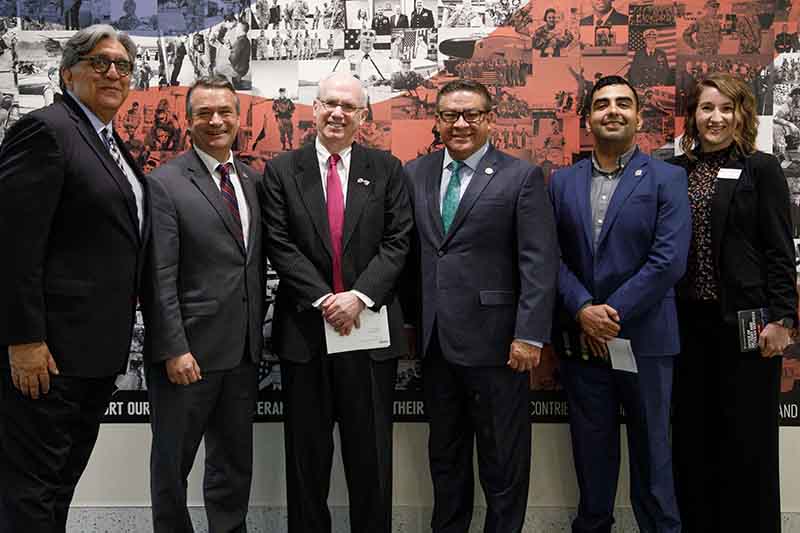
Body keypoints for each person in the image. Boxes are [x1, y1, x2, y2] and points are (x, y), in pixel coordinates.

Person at [0, 25, 148, 532]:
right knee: (30, 491)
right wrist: (23, 340)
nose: (113, 72)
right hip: (47, 355)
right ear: (67, 74)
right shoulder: (47, 130)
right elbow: (13, 245)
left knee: (58, 483)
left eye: (123, 65)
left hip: (91, 357)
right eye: (98, 62)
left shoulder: (108, 144)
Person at [258, 72, 413, 533]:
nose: (337, 113)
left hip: (368, 335)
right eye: (328, 103)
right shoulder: (283, 170)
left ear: (362, 115)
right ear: (313, 109)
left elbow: (398, 241)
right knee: (307, 461)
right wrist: (327, 299)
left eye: (348, 106)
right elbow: (279, 244)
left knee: (372, 460)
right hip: (306, 334)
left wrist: (359, 298)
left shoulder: (387, 169)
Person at [403, 79, 558, 533]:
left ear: (490, 119)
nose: (461, 124)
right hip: (436, 345)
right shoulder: (416, 173)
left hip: (499, 345)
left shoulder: (520, 176)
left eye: (472, 114)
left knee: (502, 461)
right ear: (437, 120)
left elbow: (538, 261)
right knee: (445, 458)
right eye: (450, 115)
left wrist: (529, 334)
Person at [549, 75, 689, 533]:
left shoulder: (668, 178)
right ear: (587, 118)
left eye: (623, 104)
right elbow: (549, 257)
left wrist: (608, 316)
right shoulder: (561, 182)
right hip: (582, 341)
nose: (613, 110)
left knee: (654, 451)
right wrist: (582, 309)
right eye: (602, 104)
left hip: (645, 341)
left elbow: (668, 260)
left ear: (638, 116)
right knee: (591, 452)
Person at [668, 73, 797, 533]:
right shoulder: (674, 171)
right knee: (692, 438)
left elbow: (781, 250)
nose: (715, 117)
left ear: (741, 114)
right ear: (693, 116)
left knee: (748, 441)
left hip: (746, 324)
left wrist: (783, 318)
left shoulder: (760, 168)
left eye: (726, 108)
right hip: (686, 325)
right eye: (706, 108)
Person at [142, 76, 264, 533]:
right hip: (187, 354)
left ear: (237, 117)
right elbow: (159, 274)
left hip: (242, 352)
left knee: (233, 467)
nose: (216, 122)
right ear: (188, 120)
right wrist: (174, 348)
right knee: (172, 467)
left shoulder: (251, 180)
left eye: (225, 112)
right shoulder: (164, 183)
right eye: (204, 113)